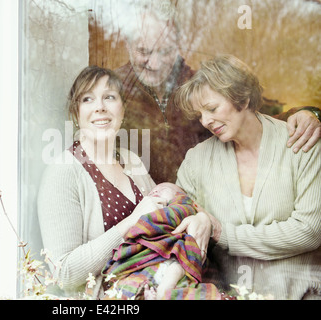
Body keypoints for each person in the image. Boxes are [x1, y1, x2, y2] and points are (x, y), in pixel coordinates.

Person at [115, 0, 321, 184]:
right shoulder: (113, 90)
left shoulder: (200, 85)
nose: (155, 63)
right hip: (139, 209)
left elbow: (256, 112)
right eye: (144, 51)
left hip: (202, 204)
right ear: (126, 43)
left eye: (165, 51)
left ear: (177, 45)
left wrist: (306, 113)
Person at [173, 54, 321, 299]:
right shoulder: (196, 160)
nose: (206, 121)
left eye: (211, 109)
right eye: (200, 114)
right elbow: (180, 229)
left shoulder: (300, 142)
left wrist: (224, 234)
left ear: (241, 97)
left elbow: (309, 230)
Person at [37, 66, 161, 299]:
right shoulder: (63, 171)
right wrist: (131, 223)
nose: (100, 107)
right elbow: (65, 273)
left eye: (109, 97)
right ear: (76, 113)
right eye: (88, 99)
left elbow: (164, 214)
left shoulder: (130, 160)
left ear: (122, 109)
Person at [102, 182, 220, 300]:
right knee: (128, 285)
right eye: (151, 192)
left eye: (163, 189)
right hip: (148, 263)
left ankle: (162, 291)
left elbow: (184, 211)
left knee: (176, 269)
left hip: (177, 257)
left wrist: (201, 217)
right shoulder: (144, 210)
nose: (155, 191)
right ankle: (148, 293)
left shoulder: (182, 205)